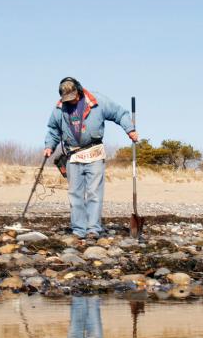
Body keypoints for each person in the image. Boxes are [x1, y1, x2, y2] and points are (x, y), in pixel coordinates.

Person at [44, 77, 138, 240]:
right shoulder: (59, 108)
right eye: (67, 99)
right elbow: (53, 129)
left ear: (79, 91)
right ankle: (78, 230)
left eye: (73, 98)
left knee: (94, 192)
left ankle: (93, 229)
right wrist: (49, 146)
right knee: (75, 194)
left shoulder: (97, 101)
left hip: (94, 153)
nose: (71, 102)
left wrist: (129, 129)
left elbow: (119, 113)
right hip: (73, 155)